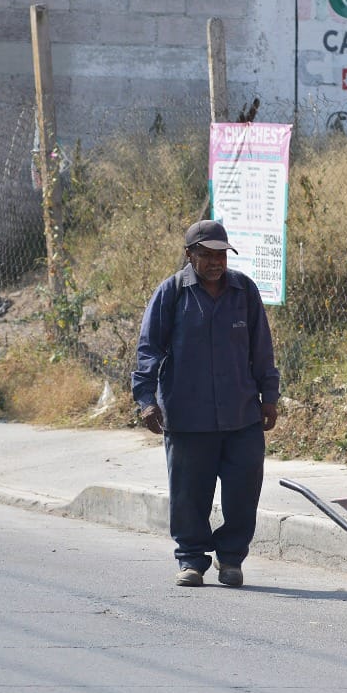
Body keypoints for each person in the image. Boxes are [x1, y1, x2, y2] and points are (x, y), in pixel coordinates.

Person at [132, 219, 280, 588]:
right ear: (189, 255)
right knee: (189, 494)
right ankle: (192, 559)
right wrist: (146, 400)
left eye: (221, 255)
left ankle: (231, 559)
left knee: (243, 493)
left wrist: (270, 396)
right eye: (207, 255)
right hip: (187, 415)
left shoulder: (243, 291)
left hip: (241, 413)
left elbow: (261, 349)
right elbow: (149, 349)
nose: (216, 262)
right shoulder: (172, 293)